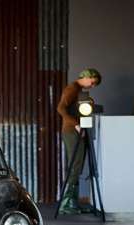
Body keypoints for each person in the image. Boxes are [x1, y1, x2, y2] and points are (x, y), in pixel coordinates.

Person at [56, 68, 102, 215]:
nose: (92, 86)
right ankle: (66, 203)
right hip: (72, 131)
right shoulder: (72, 88)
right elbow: (60, 108)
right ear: (87, 77)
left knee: (77, 164)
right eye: (93, 82)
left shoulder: (78, 89)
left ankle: (72, 202)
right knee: (75, 164)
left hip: (76, 131)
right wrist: (75, 124)